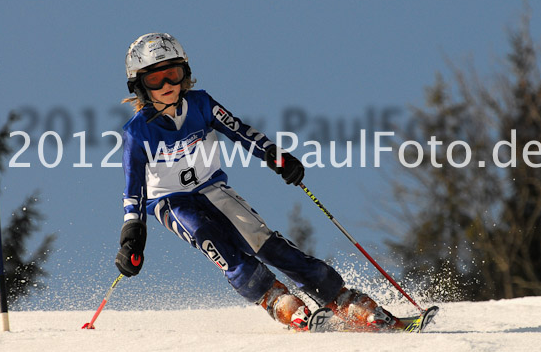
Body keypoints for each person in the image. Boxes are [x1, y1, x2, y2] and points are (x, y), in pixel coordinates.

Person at [114, 32, 403, 332]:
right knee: (211, 237)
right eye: (155, 80)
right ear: (139, 86)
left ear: (185, 74)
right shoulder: (137, 133)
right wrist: (132, 234)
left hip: (212, 187)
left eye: (173, 75)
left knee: (262, 241)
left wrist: (275, 156)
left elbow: (239, 130)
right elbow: (133, 189)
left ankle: (341, 298)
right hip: (170, 202)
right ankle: (277, 300)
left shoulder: (200, 104)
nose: (167, 86)